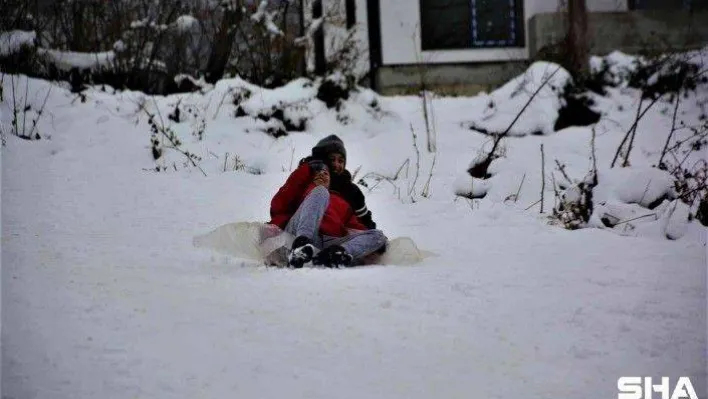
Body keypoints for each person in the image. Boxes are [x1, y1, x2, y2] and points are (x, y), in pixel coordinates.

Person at [268, 135, 387, 268]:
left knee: (379, 236)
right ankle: (301, 247)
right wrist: (309, 168)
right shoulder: (310, 178)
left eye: (341, 160)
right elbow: (280, 204)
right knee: (321, 192)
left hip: (328, 242)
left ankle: (337, 253)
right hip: (297, 233)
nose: (337, 164)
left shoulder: (348, 193)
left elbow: (356, 225)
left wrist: (372, 242)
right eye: (332, 159)